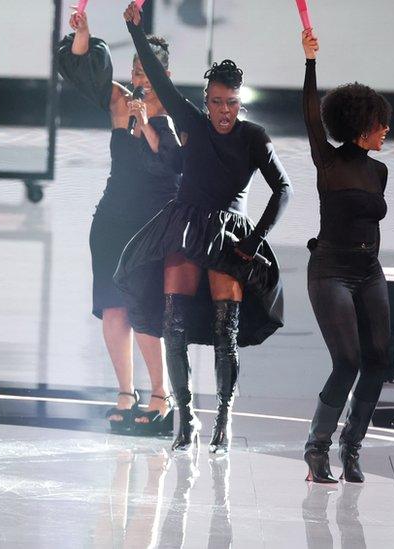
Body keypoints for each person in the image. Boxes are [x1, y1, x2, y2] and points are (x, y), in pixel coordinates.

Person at [115, 2, 293, 453]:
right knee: (173, 324)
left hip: (231, 236)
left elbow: (283, 190)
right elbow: (158, 79)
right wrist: (136, 31)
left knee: (224, 333)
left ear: (240, 100)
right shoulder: (191, 120)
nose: (224, 112)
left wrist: (253, 242)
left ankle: (224, 419)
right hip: (186, 225)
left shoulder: (255, 137)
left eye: (232, 103)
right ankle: (186, 419)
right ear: (207, 100)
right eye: (216, 102)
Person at [57, 8, 181, 434]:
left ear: (164, 72)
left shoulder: (176, 109)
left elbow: (173, 163)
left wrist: (146, 122)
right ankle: (125, 392)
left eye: (148, 69)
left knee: (144, 308)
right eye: (135, 67)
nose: (139, 76)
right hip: (112, 218)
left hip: (153, 223)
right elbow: (82, 70)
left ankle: (161, 394)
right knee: (113, 307)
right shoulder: (117, 99)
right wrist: (84, 33)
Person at [299, 29, 391, 484]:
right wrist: (310, 62)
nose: (386, 130)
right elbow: (311, 115)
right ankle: (317, 449)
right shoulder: (328, 162)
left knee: (378, 357)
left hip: (368, 271)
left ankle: (351, 448)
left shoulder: (380, 170)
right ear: (360, 126)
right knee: (347, 361)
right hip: (330, 270)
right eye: (380, 123)